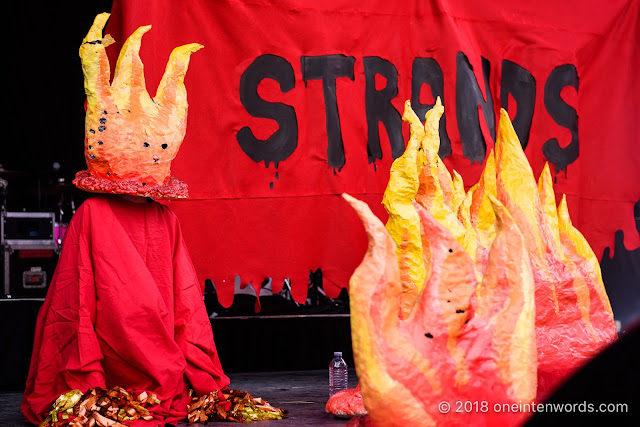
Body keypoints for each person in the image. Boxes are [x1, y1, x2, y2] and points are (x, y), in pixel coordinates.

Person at [21, 13, 230, 425]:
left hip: (107, 366)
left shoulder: (99, 214)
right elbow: (184, 302)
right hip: (161, 363)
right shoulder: (127, 215)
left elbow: (73, 303)